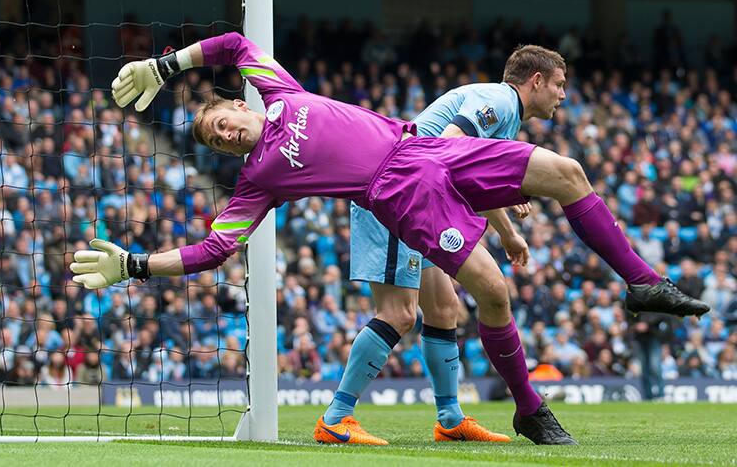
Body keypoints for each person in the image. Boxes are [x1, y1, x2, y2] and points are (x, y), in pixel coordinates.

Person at [73, 32, 709, 445]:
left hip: (426, 149)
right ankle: (525, 407)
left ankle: (643, 283)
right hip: (400, 195)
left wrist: (163, 65)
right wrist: (134, 265)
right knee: (488, 293)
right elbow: (214, 250)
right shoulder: (258, 182)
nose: (225, 136)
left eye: (221, 122)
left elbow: (235, 43)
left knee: (567, 172)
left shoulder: (278, 89)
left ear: (237, 105)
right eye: (215, 141)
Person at [319, 45, 565, 446]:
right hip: (396, 195)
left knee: (445, 308)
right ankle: (336, 417)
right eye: (558, 84)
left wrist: (505, 231)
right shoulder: (497, 102)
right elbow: (447, 152)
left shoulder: (503, 115)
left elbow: (463, 171)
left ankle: (450, 419)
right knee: (399, 313)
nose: (562, 95)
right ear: (535, 81)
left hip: (417, 201)